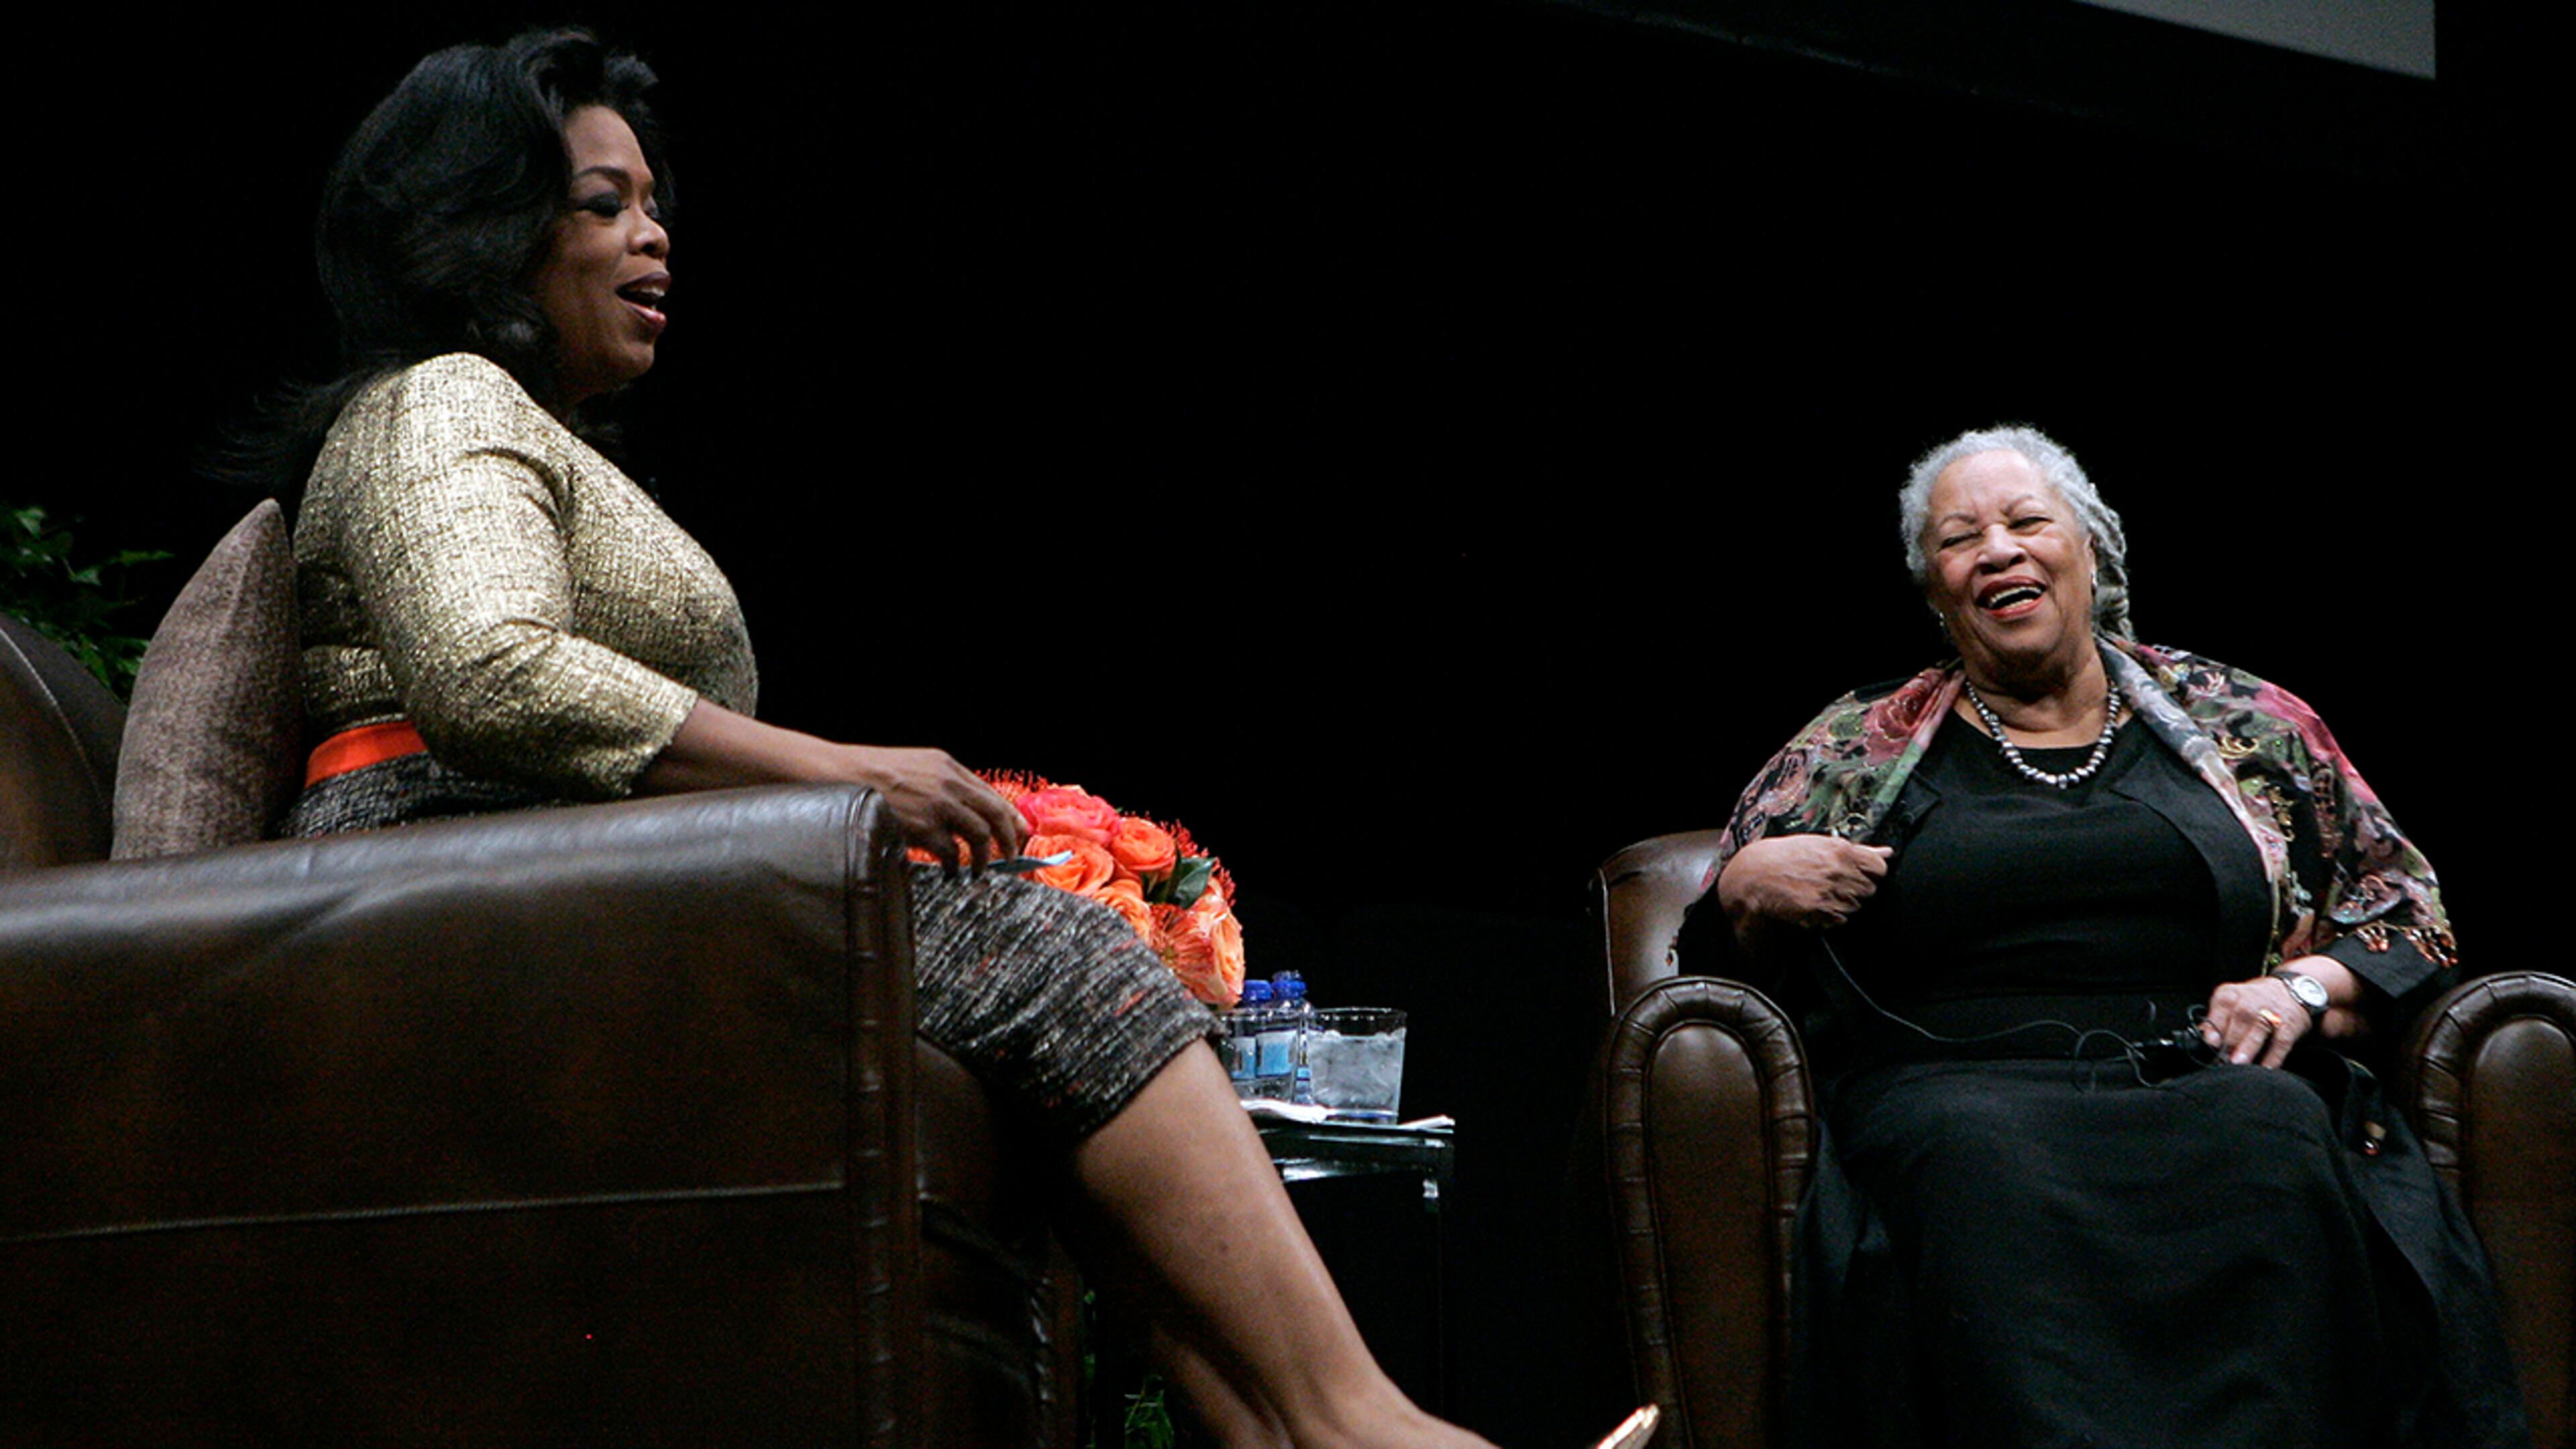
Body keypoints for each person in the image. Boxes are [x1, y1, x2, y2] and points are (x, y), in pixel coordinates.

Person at [272, 29, 1659, 1449]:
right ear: (486, 226)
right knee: (1049, 952)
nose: (656, 235)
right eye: (603, 201)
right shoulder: (438, 398)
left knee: (1036, 961)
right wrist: (849, 778)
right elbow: (491, 672)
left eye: (653, 199)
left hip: (567, 871)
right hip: (466, 878)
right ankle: (1364, 1427)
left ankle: (1293, 1435)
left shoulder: (525, 429)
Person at [1711, 425, 2530, 1448]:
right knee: (1983, 1160)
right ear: (1937, 592)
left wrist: (2303, 991)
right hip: (1954, 1089)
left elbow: (2406, 910)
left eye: (2026, 522)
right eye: (1961, 540)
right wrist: (1747, 881)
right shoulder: (1853, 745)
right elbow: (1717, 949)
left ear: (2092, 552)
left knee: (2276, 1136)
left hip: (2207, 1070)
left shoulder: (2251, 723)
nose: (1997, 550)